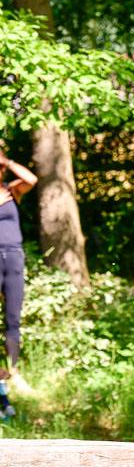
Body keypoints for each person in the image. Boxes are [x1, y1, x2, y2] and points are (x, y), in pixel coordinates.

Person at [0, 148, 38, 417]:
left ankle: (12, 371)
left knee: (14, 317)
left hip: (14, 256)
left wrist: (9, 162)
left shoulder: (11, 190)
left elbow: (32, 179)